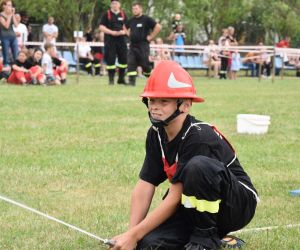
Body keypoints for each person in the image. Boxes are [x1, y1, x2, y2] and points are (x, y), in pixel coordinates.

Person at [110, 61, 258, 250]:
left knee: (198, 167)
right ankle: (219, 237)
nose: (155, 107)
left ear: (185, 105)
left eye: (164, 101)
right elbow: (145, 184)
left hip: (237, 204)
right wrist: (132, 236)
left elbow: (176, 194)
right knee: (148, 244)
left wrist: (133, 235)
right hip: (193, 203)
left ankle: (206, 240)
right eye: (152, 100)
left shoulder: (199, 136)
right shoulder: (155, 134)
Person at [125, 2, 161, 86]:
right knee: (131, 63)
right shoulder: (131, 20)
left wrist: (151, 36)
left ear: (141, 9)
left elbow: (158, 27)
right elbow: (124, 27)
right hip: (132, 45)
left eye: (136, 8)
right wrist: (128, 34)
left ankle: (152, 80)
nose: (134, 10)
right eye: (133, 9)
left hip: (143, 46)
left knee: (144, 64)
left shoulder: (146, 19)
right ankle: (131, 82)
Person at [100, 0, 128, 85]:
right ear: (111, 5)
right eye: (113, 4)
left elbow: (128, 27)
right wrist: (112, 32)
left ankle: (121, 79)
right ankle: (111, 80)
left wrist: (123, 32)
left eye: (116, 3)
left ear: (119, 5)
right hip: (110, 40)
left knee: (123, 59)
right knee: (111, 60)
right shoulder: (106, 14)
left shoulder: (123, 14)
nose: (115, 5)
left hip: (121, 40)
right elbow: (101, 27)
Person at [0, 0, 19, 67]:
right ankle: (6, 68)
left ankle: (16, 66)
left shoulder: (11, 15)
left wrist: (13, 14)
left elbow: (16, 25)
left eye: (11, 5)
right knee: (6, 55)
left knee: (16, 53)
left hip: (13, 36)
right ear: (4, 6)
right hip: (5, 37)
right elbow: (7, 26)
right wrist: (10, 15)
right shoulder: (1, 15)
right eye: (8, 5)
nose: (10, 7)